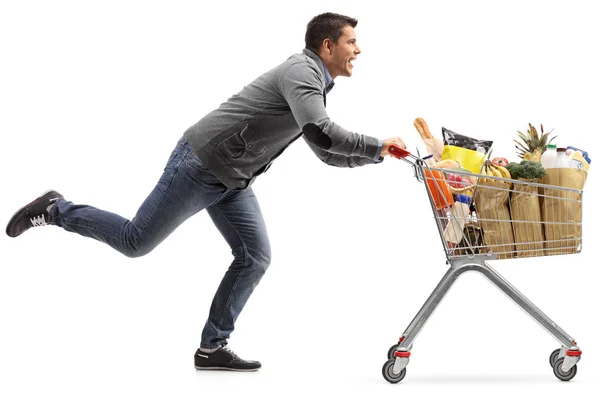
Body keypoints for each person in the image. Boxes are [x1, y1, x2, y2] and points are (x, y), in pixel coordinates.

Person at [5, 12, 407, 372]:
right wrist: (374, 145)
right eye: (352, 41)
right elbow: (323, 133)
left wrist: (376, 156)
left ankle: (211, 348)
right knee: (134, 241)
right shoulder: (302, 72)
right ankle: (57, 208)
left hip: (233, 177)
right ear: (327, 45)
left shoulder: (315, 83)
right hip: (202, 163)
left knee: (254, 257)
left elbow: (324, 150)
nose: (358, 49)